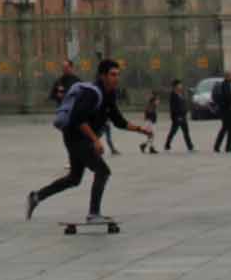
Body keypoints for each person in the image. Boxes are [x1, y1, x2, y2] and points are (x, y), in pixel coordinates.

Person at [26, 58, 146, 224]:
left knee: (74, 178)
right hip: (75, 137)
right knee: (103, 171)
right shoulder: (92, 92)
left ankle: (37, 196)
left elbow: (119, 121)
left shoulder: (109, 94)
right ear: (103, 76)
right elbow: (78, 118)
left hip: (81, 138)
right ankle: (94, 213)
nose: (116, 78)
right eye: (112, 74)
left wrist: (141, 130)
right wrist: (95, 140)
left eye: (118, 74)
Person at [213, 70, 231, 153]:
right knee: (230, 129)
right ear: (228, 77)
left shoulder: (224, 84)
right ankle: (228, 147)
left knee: (224, 128)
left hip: (224, 110)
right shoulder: (226, 85)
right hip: (227, 110)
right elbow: (228, 97)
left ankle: (217, 146)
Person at [164, 79, 194, 152]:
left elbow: (183, 104)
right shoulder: (173, 95)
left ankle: (190, 146)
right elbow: (173, 107)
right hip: (177, 117)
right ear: (175, 86)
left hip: (183, 116)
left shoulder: (181, 94)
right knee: (173, 132)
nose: (181, 86)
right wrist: (177, 116)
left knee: (186, 132)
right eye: (179, 85)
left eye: (181, 85)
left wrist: (185, 112)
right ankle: (167, 145)